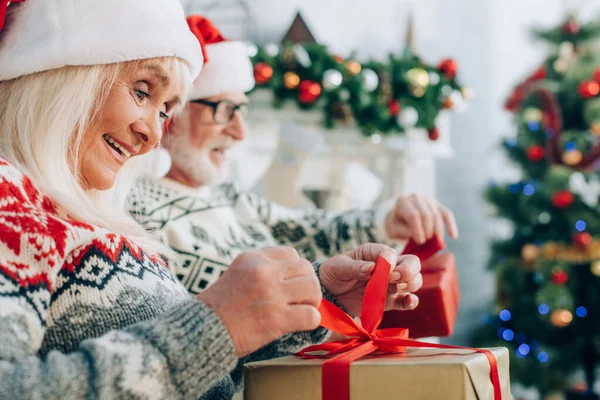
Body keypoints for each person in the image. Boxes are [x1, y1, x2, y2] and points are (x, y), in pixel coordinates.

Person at [0, 2, 422, 399]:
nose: (151, 135)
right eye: (142, 90)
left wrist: (320, 296)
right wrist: (214, 325)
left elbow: (204, 367)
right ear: (63, 71)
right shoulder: (11, 199)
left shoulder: (96, 215)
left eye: (165, 110)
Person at [129, 15, 459, 295]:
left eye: (242, 111)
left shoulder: (225, 194)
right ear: (171, 113)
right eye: (224, 110)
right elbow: (233, 302)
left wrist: (388, 220)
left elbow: (312, 229)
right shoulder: (136, 213)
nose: (239, 132)